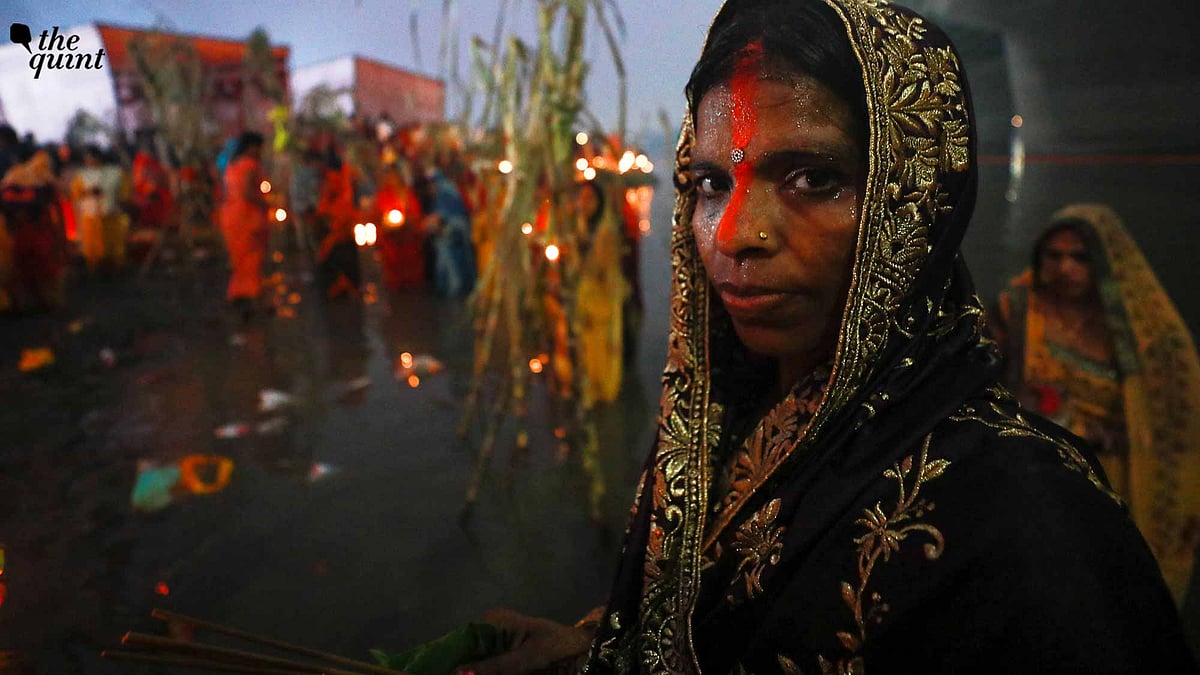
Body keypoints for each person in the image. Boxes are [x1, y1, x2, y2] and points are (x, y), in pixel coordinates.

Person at [459, 1, 1198, 673]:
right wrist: (602, 651)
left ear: (913, 203)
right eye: (713, 182)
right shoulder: (719, 419)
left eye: (813, 178)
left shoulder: (1032, 531)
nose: (735, 236)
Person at [992, 204, 1200, 605]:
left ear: (1106, 262)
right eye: (1054, 256)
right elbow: (983, 378)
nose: (1065, 267)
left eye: (1080, 257)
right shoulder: (1017, 308)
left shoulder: (1142, 334)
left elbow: (1169, 419)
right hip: (1030, 478)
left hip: (1112, 483)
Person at [218, 132, 271, 320]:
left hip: (230, 218)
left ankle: (239, 297)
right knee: (252, 260)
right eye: (259, 147)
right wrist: (267, 204)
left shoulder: (231, 166)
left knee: (239, 260)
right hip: (248, 218)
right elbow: (248, 192)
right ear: (251, 147)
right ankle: (254, 301)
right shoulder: (251, 166)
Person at [70, 145, 129, 273]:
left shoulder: (115, 172)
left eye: (91, 159)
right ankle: (95, 271)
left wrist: (109, 194)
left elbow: (125, 193)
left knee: (113, 246)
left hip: (111, 214)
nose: (89, 162)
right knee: (93, 248)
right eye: (87, 159)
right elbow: (76, 193)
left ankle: (116, 270)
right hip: (91, 216)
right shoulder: (82, 175)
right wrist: (88, 192)